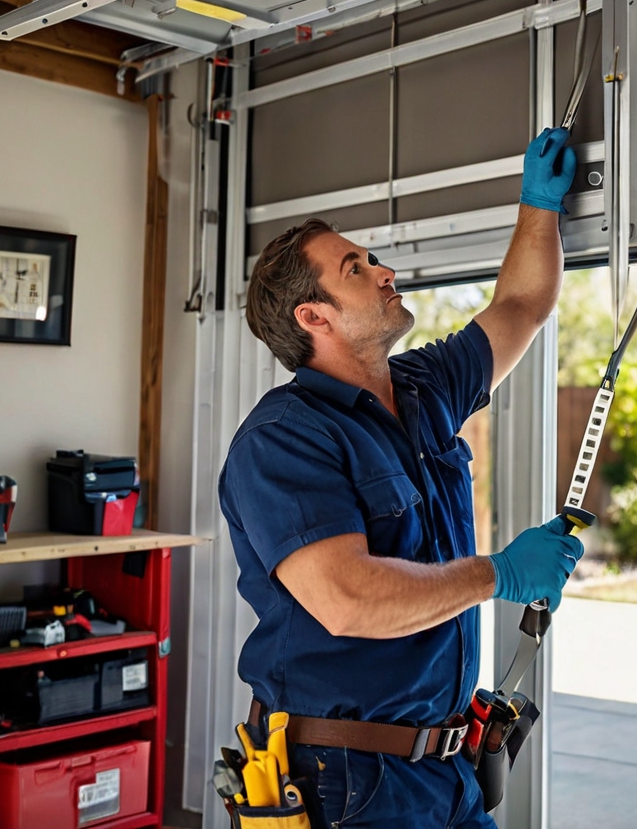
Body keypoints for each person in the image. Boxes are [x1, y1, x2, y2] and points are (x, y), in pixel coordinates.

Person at [219, 126, 584, 828]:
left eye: (373, 258)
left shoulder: (422, 389)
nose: (385, 271)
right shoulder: (284, 439)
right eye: (356, 268)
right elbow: (347, 600)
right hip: (347, 784)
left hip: (449, 770)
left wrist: (539, 206)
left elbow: (519, 308)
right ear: (313, 316)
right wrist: (501, 574)